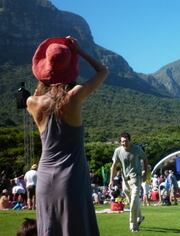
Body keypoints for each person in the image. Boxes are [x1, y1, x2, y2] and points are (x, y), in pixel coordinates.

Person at [27, 36, 107, 235]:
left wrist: (46, 72)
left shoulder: (32, 103)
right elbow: (103, 71)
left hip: (44, 178)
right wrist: (79, 51)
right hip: (71, 177)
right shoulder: (74, 96)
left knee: (49, 228)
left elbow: (40, 89)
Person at [109, 132, 149, 232]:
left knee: (134, 201)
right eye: (122, 141)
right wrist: (111, 180)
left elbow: (145, 159)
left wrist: (145, 173)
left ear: (130, 141)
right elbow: (113, 166)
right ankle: (139, 216)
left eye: (126, 141)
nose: (124, 143)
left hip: (136, 178)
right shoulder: (118, 151)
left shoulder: (137, 149)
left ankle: (133, 224)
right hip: (125, 180)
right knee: (132, 202)